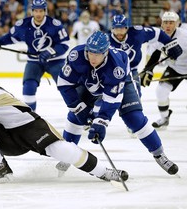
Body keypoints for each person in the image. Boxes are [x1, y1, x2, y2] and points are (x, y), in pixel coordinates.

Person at [0, 69, 129, 183]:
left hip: (28, 126)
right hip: (6, 139)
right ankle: (0, 168)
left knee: (59, 149)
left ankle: (105, 172)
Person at [55, 31, 179, 177]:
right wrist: (78, 107)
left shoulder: (117, 66)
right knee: (75, 117)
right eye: (90, 52)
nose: (92, 58)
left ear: (106, 52)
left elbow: (111, 99)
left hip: (119, 85)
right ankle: (68, 154)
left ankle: (159, 155)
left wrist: (101, 122)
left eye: (97, 54)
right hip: (88, 83)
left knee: (134, 118)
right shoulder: (77, 56)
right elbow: (64, 84)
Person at [0, 0, 70, 111]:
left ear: (45, 11)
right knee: (28, 87)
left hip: (55, 61)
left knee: (66, 87)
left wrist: (50, 52)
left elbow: (65, 43)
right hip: (34, 61)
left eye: (41, 11)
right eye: (36, 11)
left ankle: (80, 114)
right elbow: (10, 38)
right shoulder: (23, 25)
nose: (38, 14)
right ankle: (31, 118)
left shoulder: (54, 25)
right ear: (32, 11)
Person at [109, 14, 182, 96]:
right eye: (116, 29)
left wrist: (170, 44)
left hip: (132, 71)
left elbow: (158, 33)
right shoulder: (106, 42)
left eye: (121, 28)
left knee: (135, 100)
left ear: (127, 28)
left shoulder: (137, 33)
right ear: (112, 29)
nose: (119, 32)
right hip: (111, 74)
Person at [140, 11, 187, 129]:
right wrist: (148, 70)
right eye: (165, 22)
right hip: (174, 68)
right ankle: (164, 118)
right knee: (161, 91)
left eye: (171, 22)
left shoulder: (185, 36)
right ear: (161, 24)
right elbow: (155, 55)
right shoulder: (158, 36)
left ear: (177, 24)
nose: (168, 25)